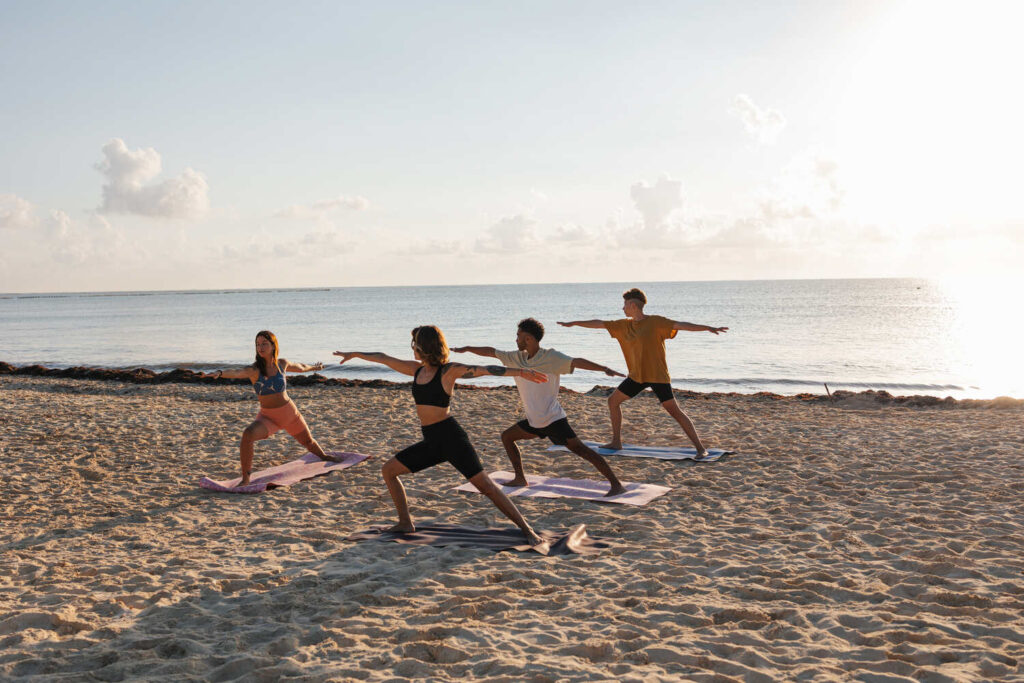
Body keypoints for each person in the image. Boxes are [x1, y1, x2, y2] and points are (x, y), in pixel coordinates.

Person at [333, 325, 547, 546]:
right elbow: (383, 358)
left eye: (415, 344)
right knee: (389, 470)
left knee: (487, 487)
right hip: (431, 441)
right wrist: (355, 354)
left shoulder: (448, 371)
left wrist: (520, 372)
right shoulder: (416, 370)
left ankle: (527, 529)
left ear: (424, 347)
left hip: (452, 439)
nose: (412, 348)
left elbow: (484, 369)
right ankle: (405, 522)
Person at [452, 317, 627, 496]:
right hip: (535, 421)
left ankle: (616, 484)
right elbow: (491, 352)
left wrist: (604, 368)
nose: (516, 339)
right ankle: (520, 478)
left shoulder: (550, 357)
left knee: (582, 450)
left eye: (518, 335)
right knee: (507, 437)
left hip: (553, 419)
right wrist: (466, 349)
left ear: (529, 339)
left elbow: (576, 361)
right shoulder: (515, 357)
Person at [558, 288, 728, 456]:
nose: (622, 308)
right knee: (613, 401)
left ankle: (700, 448)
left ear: (632, 305)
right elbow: (598, 323)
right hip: (637, 376)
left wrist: (707, 327)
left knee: (674, 410)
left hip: (657, 375)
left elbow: (682, 325)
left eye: (624, 304)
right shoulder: (622, 325)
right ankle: (616, 442)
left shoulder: (656, 322)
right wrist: (574, 323)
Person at [205, 330, 339, 485]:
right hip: (268, 418)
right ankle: (246, 479)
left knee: (309, 443)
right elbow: (237, 372)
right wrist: (219, 372)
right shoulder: (254, 370)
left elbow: (301, 367)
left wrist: (314, 368)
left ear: (273, 346)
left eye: (264, 344)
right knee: (247, 435)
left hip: (290, 414)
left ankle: (324, 457)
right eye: (257, 344)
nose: (260, 347)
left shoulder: (282, 364)